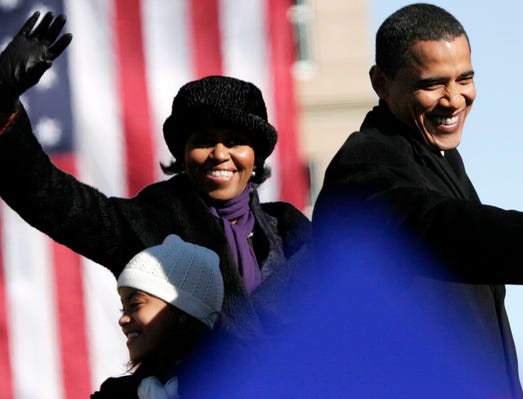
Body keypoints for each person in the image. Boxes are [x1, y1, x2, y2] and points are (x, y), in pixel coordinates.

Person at [311, 3, 523, 398]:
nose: (454, 99)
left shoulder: (439, 159)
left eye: (465, 78)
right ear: (381, 82)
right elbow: (436, 224)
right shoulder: (364, 162)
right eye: (432, 84)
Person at [0, 12, 311, 348]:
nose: (220, 154)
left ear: (257, 155)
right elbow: (47, 196)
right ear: (182, 153)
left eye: (235, 142)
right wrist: (2, 103)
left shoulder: (292, 232)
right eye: (204, 141)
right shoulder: (148, 224)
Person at [91, 234, 225, 399]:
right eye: (123, 308)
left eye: (135, 304)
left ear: (183, 312)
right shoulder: (116, 394)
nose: (122, 319)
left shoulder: (240, 383)